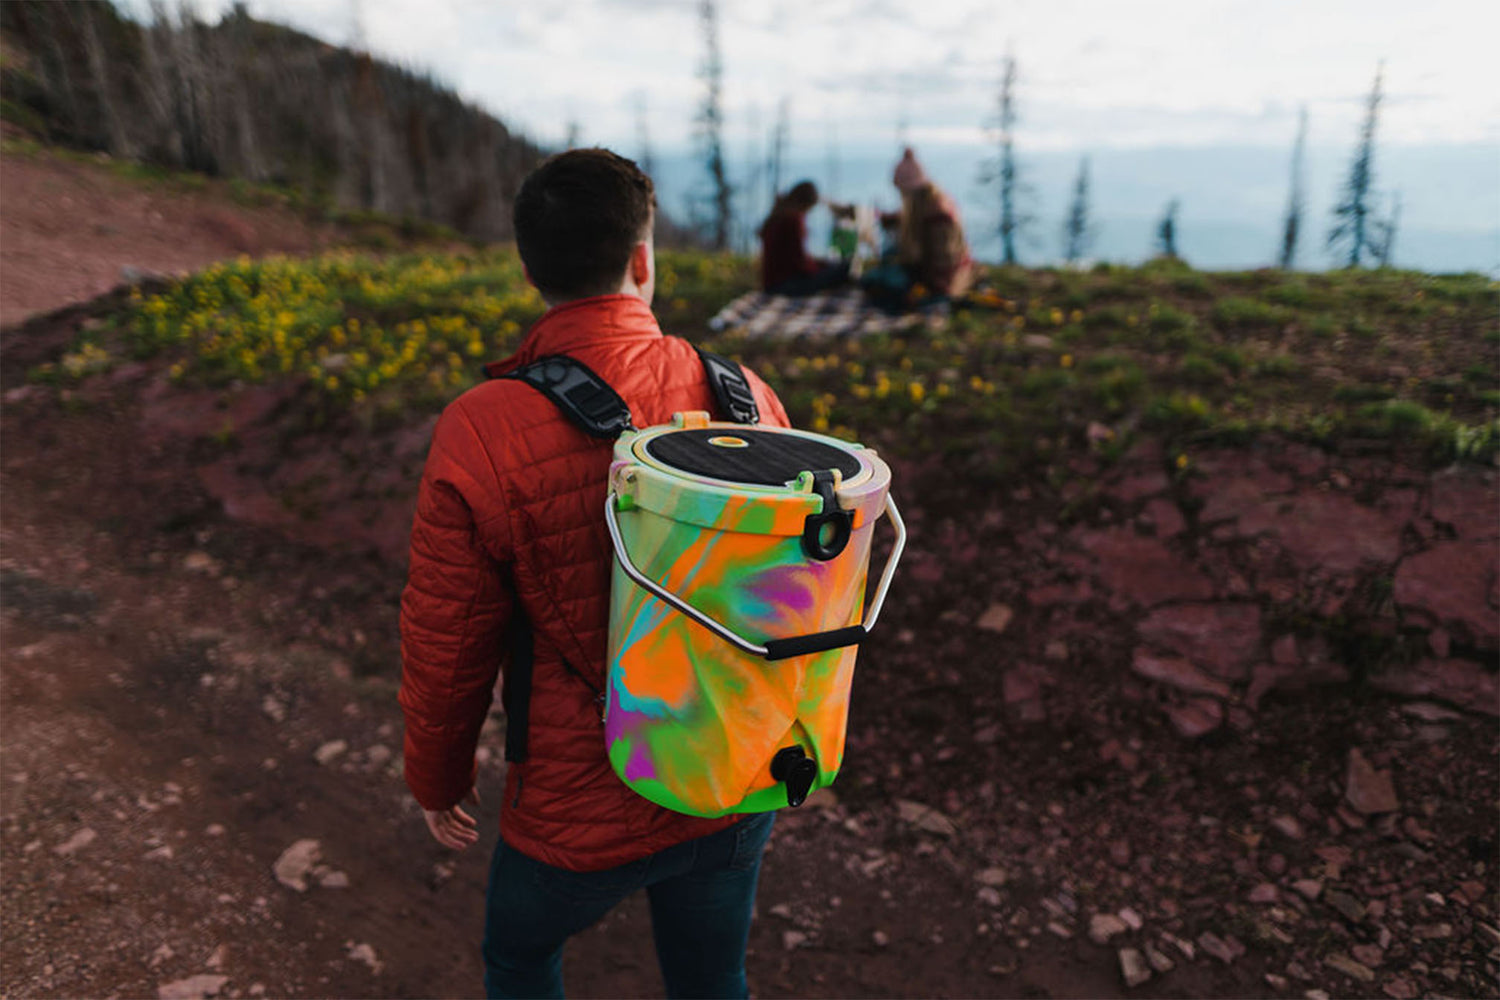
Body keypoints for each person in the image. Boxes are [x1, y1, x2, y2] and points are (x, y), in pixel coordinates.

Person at [399, 148, 790, 1000]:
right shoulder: (747, 397)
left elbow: (448, 642)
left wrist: (439, 778)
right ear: (643, 261)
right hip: (731, 776)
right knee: (713, 978)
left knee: (521, 958)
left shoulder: (483, 428)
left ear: (530, 269)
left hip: (578, 809)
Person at [890, 147, 975, 300]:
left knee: (887, 281)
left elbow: (944, 262)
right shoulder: (931, 203)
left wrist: (925, 286)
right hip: (944, 274)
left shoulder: (938, 215)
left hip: (948, 281)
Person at [757, 179, 847, 295]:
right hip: (784, 286)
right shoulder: (793, 218)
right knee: (842, 269)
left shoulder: (779, 214)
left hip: (772, 284)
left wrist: (820, 264)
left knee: (834, 268)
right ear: (806, 203)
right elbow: (800, 263)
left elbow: (792, 258)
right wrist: (821, 268)